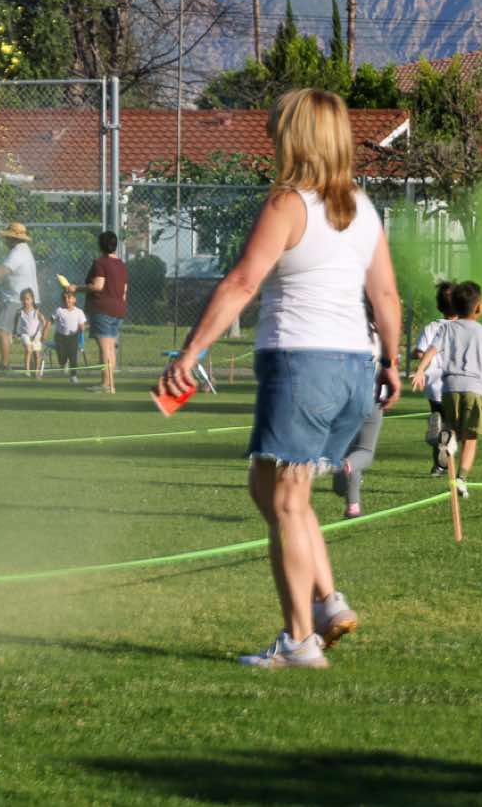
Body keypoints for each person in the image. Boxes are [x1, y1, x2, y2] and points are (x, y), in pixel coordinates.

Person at [160, 89, 402, 670]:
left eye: (276, 129)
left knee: (288, 502)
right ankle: (327, 601)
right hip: (353, 368)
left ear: (294, 138)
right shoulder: (363, 208)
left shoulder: (287, 203)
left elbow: (243, 282)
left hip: (301, 365)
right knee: (269, 490)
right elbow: (386, 295)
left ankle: (299, 641)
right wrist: (391, 362)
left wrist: (192, 351)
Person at [409, 280, 482, 498]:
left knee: (452, 427)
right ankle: (461, 478)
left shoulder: (446, 329)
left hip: (449, 388)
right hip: (474, 389)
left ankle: (446, 437)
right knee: (470, 437)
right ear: (479, 307)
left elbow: (430, 351)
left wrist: (420, 370)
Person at [0, 221, 38, 374]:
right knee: (28, 333)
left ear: (13, 238)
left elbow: (3, 271)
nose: (5, 240)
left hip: (17, 298)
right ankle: (32, 366)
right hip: (24, 297)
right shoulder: (24, 250)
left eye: (7, 237)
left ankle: (4, 364)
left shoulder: (17, 252)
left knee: (2, 329)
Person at [416, 282, 455, 476]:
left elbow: (420, 352)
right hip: (455, 384)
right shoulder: (464, 328)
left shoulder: (431, 327)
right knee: (452, 427)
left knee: (438, 421)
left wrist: (419, 361)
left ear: (439, 305)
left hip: (434, 384)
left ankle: (437, 466)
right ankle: (443, 464)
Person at [84, 231, 128, 394]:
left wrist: (76, 288)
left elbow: (98, 286)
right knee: (110, 347)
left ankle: (107, 385)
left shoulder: (100, 263)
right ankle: (109, 383)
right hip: (118, 310)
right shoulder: (121, 265)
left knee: (105, 348)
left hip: (102, 309)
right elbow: (124, 291)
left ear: (100, 245)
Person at [330, 401, 384, 519]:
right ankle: (344, 466)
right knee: (364, 452)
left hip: (343, 404)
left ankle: (353, 506)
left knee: (351, 454)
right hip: (371, 402)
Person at [52, 285, 87, 384]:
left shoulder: (79, 312)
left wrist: (81, 328)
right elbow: (50, 321)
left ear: (74, 300)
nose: (66, 300)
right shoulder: (59, 310)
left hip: (73, 337)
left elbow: (82, 325)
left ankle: (73, 376)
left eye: (69, 297)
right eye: (64, 298)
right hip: (60, 337)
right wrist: (44, 333)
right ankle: (64, 362)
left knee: (73, 357)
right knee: (62, 359)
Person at [13, 289, 46, 379]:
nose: (25, 301)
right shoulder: (20, 312)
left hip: (36, 336)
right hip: (25, 334)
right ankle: (27, 371)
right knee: (28, 349)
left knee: (37, 354)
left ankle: (36, 372)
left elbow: (43, 320)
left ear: (32, 299)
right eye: (23, 299)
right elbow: (15, 320)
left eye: (27, 299)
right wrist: (15, 332)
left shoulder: (36, 311)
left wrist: (42, 330)